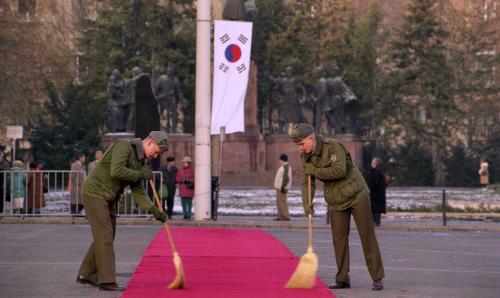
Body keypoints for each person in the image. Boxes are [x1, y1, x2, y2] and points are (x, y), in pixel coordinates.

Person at [289, 123, 385, 291]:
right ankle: (342, 279)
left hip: (357, 195)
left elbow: (339, 171)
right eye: (299, 145)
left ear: (311, 138)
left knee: (367, 236)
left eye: (302, 144)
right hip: (336, 200)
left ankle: (377, 277)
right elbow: (307, 182)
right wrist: (307, 204)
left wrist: (314, 170)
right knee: (338, 240)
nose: (301, 148)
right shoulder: (306, 156)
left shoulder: (333, 147)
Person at [77, 131, 169, 292]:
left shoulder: (141, 163)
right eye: (156, 151)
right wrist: (140, 174)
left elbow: (139, 193)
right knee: (105, 235)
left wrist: (155, 210)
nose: (155, 156)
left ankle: (86, 273)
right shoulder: (124, 146)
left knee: (106, 235)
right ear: (149, 143)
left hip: (108, 197)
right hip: (95, 193)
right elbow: (117, 170)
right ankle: (107, 281)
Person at [366, 157, 387, 226]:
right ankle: (375, 222)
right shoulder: (379, 171)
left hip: (375, 195)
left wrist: (368, 188)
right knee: (374, 209)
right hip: (377, 195)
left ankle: (375, 222)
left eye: (373, 162)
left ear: (376, 164)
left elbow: (374, 184)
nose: (371, 164)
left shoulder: (377, 172)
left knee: (375, 209)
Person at [273, 154, 292, 221]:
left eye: (280, 160)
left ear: (282, 160)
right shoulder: (284, 166)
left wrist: (283, 187)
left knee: (282, 202)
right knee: (279, 202)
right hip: (279, 187)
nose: (279, 161)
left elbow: (285, 178)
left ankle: (286, 216)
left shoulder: (285, 167)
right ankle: (280, 216)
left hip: (282, 188)